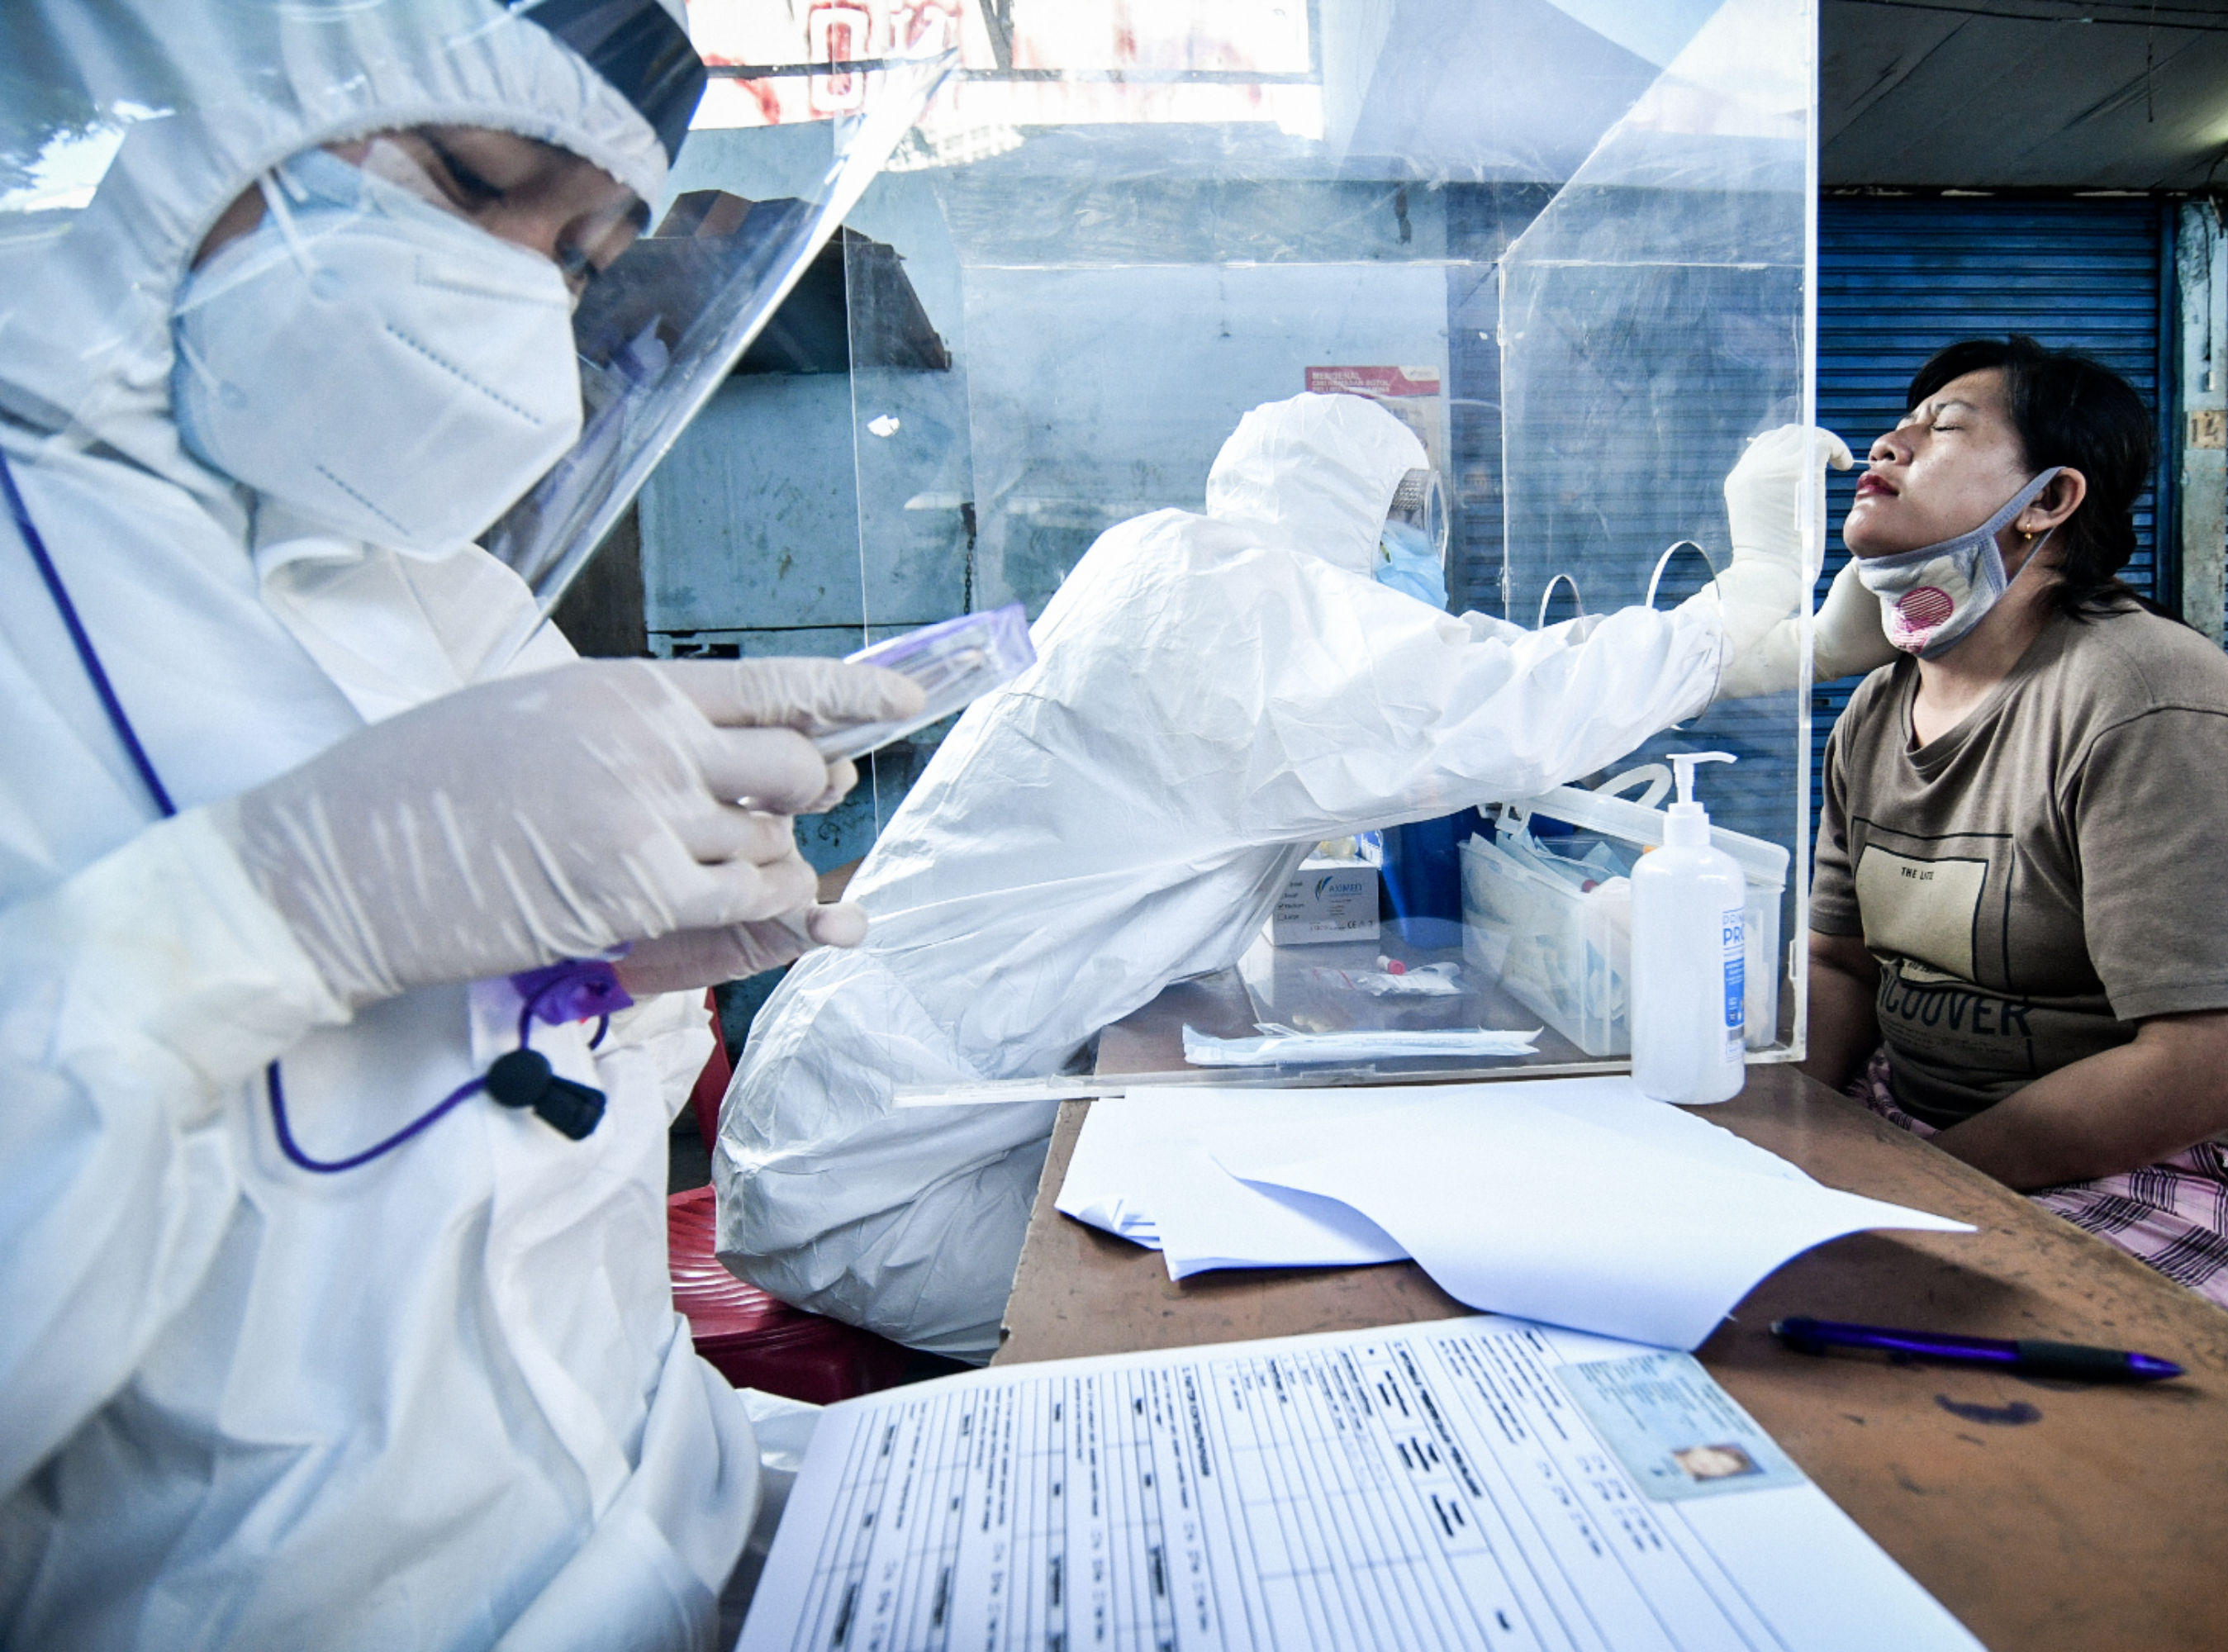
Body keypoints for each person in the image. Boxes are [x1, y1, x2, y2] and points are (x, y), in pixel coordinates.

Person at [0, 4, 924, 1645]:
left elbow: (533, 1238)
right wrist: (258, 917)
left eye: (577, 259)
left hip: (681, 1535)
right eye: (468, 177)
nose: (516, 293)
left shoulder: (444, 596)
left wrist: (606, 982)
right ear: (169, 116)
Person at [715, 391, 1885, 1359]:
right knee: (1314, 1325)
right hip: (872, 1179)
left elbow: (1429, 688)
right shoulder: (1221, 610)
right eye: (1407, 519)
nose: (1420, 550)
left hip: (905, 1107)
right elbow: (1497, 705)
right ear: (1342, 509)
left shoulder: (1184, 577)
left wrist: (1791, 652)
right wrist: (1748, 589)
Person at [1801, 334, 2228, 1342]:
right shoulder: (1877, 707)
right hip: (1932, 1122)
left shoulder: (2150, 701)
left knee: (1865, 1343)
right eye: (1900, 422)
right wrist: (1773, 1132)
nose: (1884, 444)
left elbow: (2223, 1063)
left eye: (1943, 426)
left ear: (2049, 499)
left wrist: (1925, 1185)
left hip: (2199, 1167)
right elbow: (1841, 965)